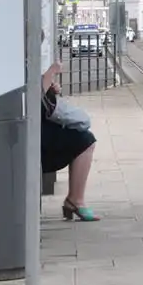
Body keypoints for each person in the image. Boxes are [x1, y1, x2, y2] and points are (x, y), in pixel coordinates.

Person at [41, 61, 98, 221]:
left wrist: (50, 87)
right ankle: (75, 201)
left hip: (34, 129)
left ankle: (75, 200)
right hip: (29, 136)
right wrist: (51, 72)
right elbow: (33, 95)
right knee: (85, 140)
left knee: (84, 138)